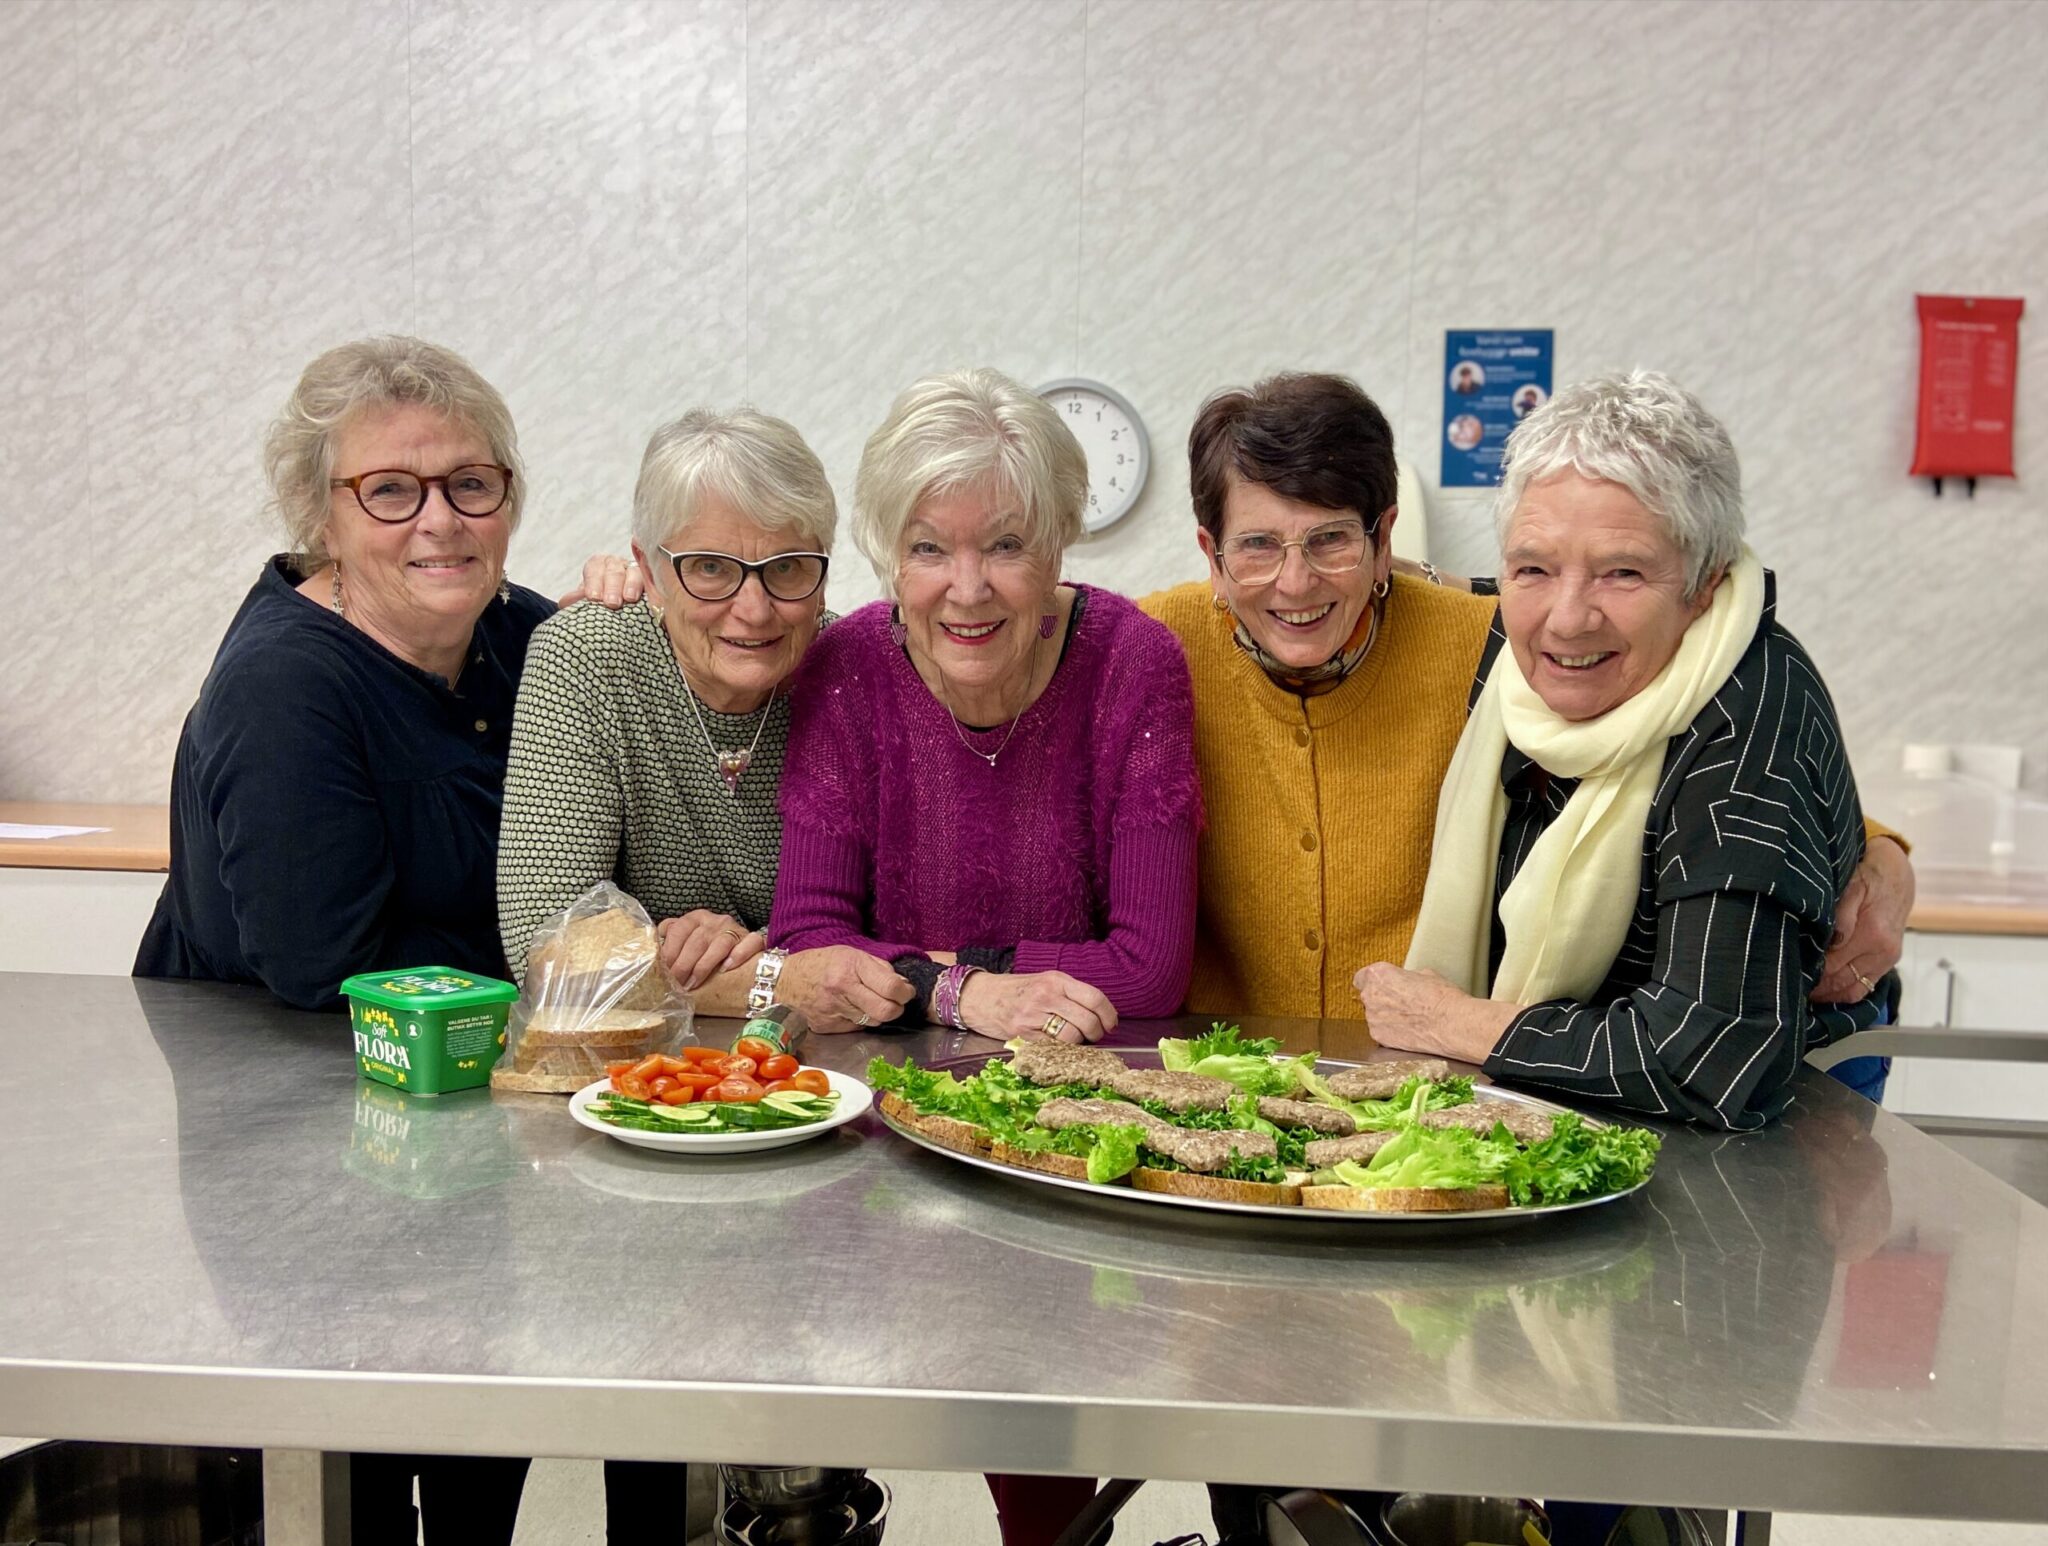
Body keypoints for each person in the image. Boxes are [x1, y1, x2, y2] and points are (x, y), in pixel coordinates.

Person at [1138, 372, 1914, 1030]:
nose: (1295, 582)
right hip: (1217, 1077)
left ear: (1382, 541)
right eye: (1257, 545)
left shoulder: (1498, 644)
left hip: (1428, 1088)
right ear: (1212, 553)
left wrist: (1877, 851)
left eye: (1331, 539)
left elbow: (1692, 729)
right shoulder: (1150, 651)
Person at [770, 366, 1201, 1546]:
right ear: (887, 556)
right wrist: (972, 988)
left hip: (1063, 1121)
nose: (966, 588)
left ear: (1057, 543)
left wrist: (911, 972)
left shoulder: (1133, 662)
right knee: (823, 1401)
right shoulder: (846, 667)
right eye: (928, 549)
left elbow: (1148, 967)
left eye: (1004, 545)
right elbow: (807, 934)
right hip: (869, 1118)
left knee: (1044, 1430)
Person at [1362, 369, 1897, 1129]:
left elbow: (1716, 1057)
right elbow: (1449, 594)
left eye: (1623, 572)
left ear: (1704, 583)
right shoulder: (1519, 650)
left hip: (1771, 1123)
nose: (1567, 619)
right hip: (1574, 1090)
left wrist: (1454, 1022)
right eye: (1534, 567)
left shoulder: (1746, 729)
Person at [136, 336, 557, 1010]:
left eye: (470, 483)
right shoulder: (281, 686)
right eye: (390, 490)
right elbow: (325, 966)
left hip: (476, 1044)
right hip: (275, 1054)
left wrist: (631, 634)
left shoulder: (527, 632)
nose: (441, 520)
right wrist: (566, 956)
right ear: (322, 521)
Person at [497, 408, 912, 1031]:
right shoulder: (587, 656)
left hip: (839, 1055)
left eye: (787, 567)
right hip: (641, 1062)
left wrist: (730, 952)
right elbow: (547, 949)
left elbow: (902, 921)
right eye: (711, 568)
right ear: (651, 571)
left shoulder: (852, 672)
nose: (755, 609)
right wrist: (779, 979)